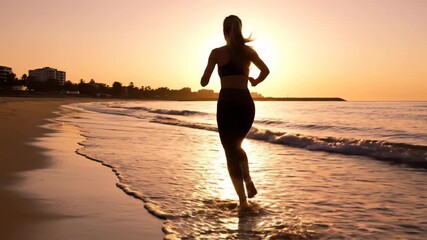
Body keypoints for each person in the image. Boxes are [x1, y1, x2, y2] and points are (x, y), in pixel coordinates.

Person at [200, 15, 270, 209]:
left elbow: (204, 82)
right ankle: (247, 177)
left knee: (230, 151)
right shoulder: (248, 52)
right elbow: (266, 71)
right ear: (240, 30)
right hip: (246, 103)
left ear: (224, 31)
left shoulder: (216, 53)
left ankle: (242, 202)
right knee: (237, 145)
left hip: (227, 104)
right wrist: (255, 81)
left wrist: (209, 72)